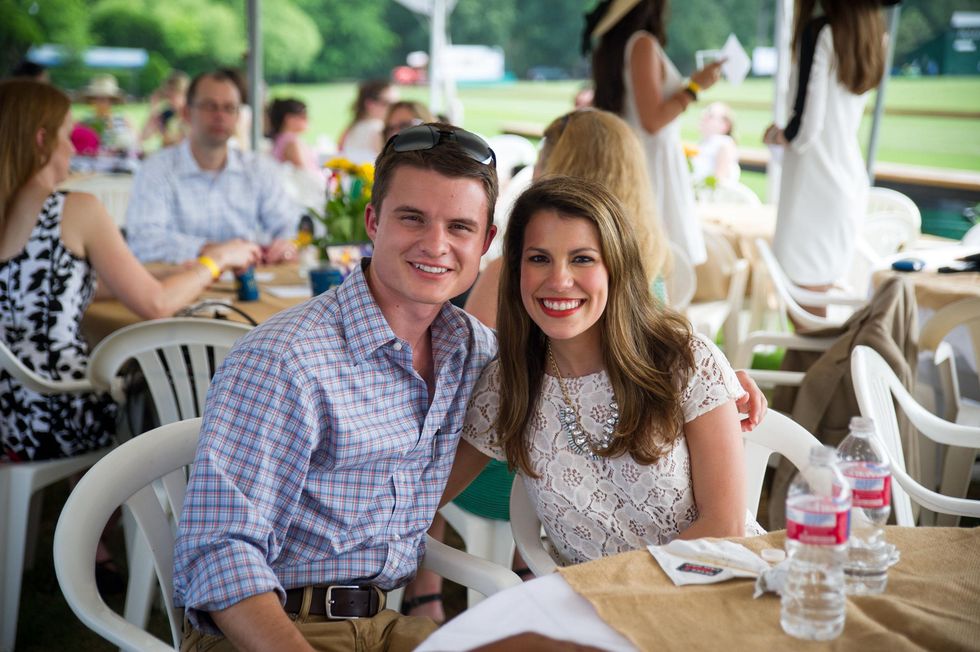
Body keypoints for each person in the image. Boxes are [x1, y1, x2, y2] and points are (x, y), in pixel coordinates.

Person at [172, 124, 500, 651]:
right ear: (373, 222)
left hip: (380, 622)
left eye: (460, 226)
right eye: (412, 217)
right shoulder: (286, 358)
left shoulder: (471, 350)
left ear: (485, 243)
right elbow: (218, 554)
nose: (436, 245)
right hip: (276, 625)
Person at [444, 177, 764, 568]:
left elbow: (724, 526)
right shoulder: (507, 383)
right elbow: (428, 495)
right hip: (594, 609)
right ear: (515, 272)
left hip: (716, 585)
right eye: (539, 258)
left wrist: (617, 595)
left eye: (582, 259)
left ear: (616, 267)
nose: (559, 280)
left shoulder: (683, 362)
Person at [0, 79, 260, 463]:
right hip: (59, 410)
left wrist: (176, 272)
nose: (74, 148)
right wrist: (217, 260)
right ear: (42, 140)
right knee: (171, 387)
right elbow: (157, 306)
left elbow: (64, 287)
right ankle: (164, 506)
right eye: (68, 136)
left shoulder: (10, 209)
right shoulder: (74, 209)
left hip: (10, 411)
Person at [466, 108, 670, 330]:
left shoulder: (510, 272)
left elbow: (473, 354)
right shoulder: (652, 264)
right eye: (540, 259)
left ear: (555, 173)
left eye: (540, 160)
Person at [764, 0, 889, 317]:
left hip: (814, 190)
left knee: (804, 312)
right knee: (816, 303)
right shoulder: (874, 37)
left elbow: (805, 129)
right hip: (846, 180)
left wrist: (778, 135)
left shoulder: (820, 33)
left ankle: (832, 366)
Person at [586, 0, 725, 267]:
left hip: (634, 161)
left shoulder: (614, 47)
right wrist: (695, 87)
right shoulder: (642, 44)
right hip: (652, 167)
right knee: (660, 261)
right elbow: (652, 119)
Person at [125, 69, 299, 265]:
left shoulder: (258, 169)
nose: (220, 116)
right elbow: (143, 241)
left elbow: (289, 225)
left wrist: (285, 244)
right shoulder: (156, 170)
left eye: (229, 108)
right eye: (210, 106)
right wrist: (218, 253)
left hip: (255, 285)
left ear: (238, 116)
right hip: (180, 289)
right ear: (186, 113)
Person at [71, 73, 139, 170]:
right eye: (97, 98)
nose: (101, 102)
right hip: (90, 168)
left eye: (106, 99)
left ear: (112, 100)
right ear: (91, 100)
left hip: (118, 167)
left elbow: (135, 144)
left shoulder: (124, 120)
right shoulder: (83, 122)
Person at [339, 79, 396, 161]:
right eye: (387, 103)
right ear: (370, 104)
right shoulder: (378, 129)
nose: (394, 109)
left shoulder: (351, 127)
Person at [691, 101, 740, 185]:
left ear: (725, 125)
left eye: (710, 116)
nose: (704, 117)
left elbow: (720, 179)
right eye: (704, 113)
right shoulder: (702, 143)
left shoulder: (724, 144)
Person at [140, 70, 190, 149]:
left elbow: (185, 143)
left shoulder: (193, 116)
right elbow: (144, 136)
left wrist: (165, 135)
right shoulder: (167, 114)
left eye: (173, 95)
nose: (169, 99)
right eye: (168, 95)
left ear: (184, 94)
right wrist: (153, 110)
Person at [267, 98, 319, 173]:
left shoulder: (282, 138)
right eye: (303, 114)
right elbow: (306, 174)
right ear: (289, 119)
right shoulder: (291, 143)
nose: (307, 118)